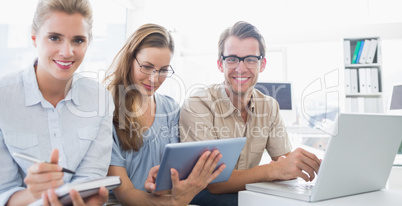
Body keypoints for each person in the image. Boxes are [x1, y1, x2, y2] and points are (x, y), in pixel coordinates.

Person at [179, 21, 322, 205]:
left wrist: (300, 164)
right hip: (202, 196)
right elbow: (214, 182)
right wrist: (274, 170)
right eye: (232, 59)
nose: (241, 68)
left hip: (243, 191)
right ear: (220, 64)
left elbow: (284, 164)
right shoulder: (198, 105)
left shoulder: (269, 107)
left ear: (262, 64)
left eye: (250, 59)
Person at [0, 0, 114, 205]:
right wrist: (37, 194)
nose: (67, 51)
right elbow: (3, 192)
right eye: (54, 38)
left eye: (78, 40)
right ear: (34, 37)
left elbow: (91, 178)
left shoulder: (100, 99)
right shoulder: (3, 98)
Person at [105, 23, 225, 205]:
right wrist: (173, 203)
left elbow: (176, 171)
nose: (154, 78)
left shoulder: (170, 108)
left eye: (163, 70)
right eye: (146, 66)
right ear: (130, 60)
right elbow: (125, 193)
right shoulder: (108, 110)